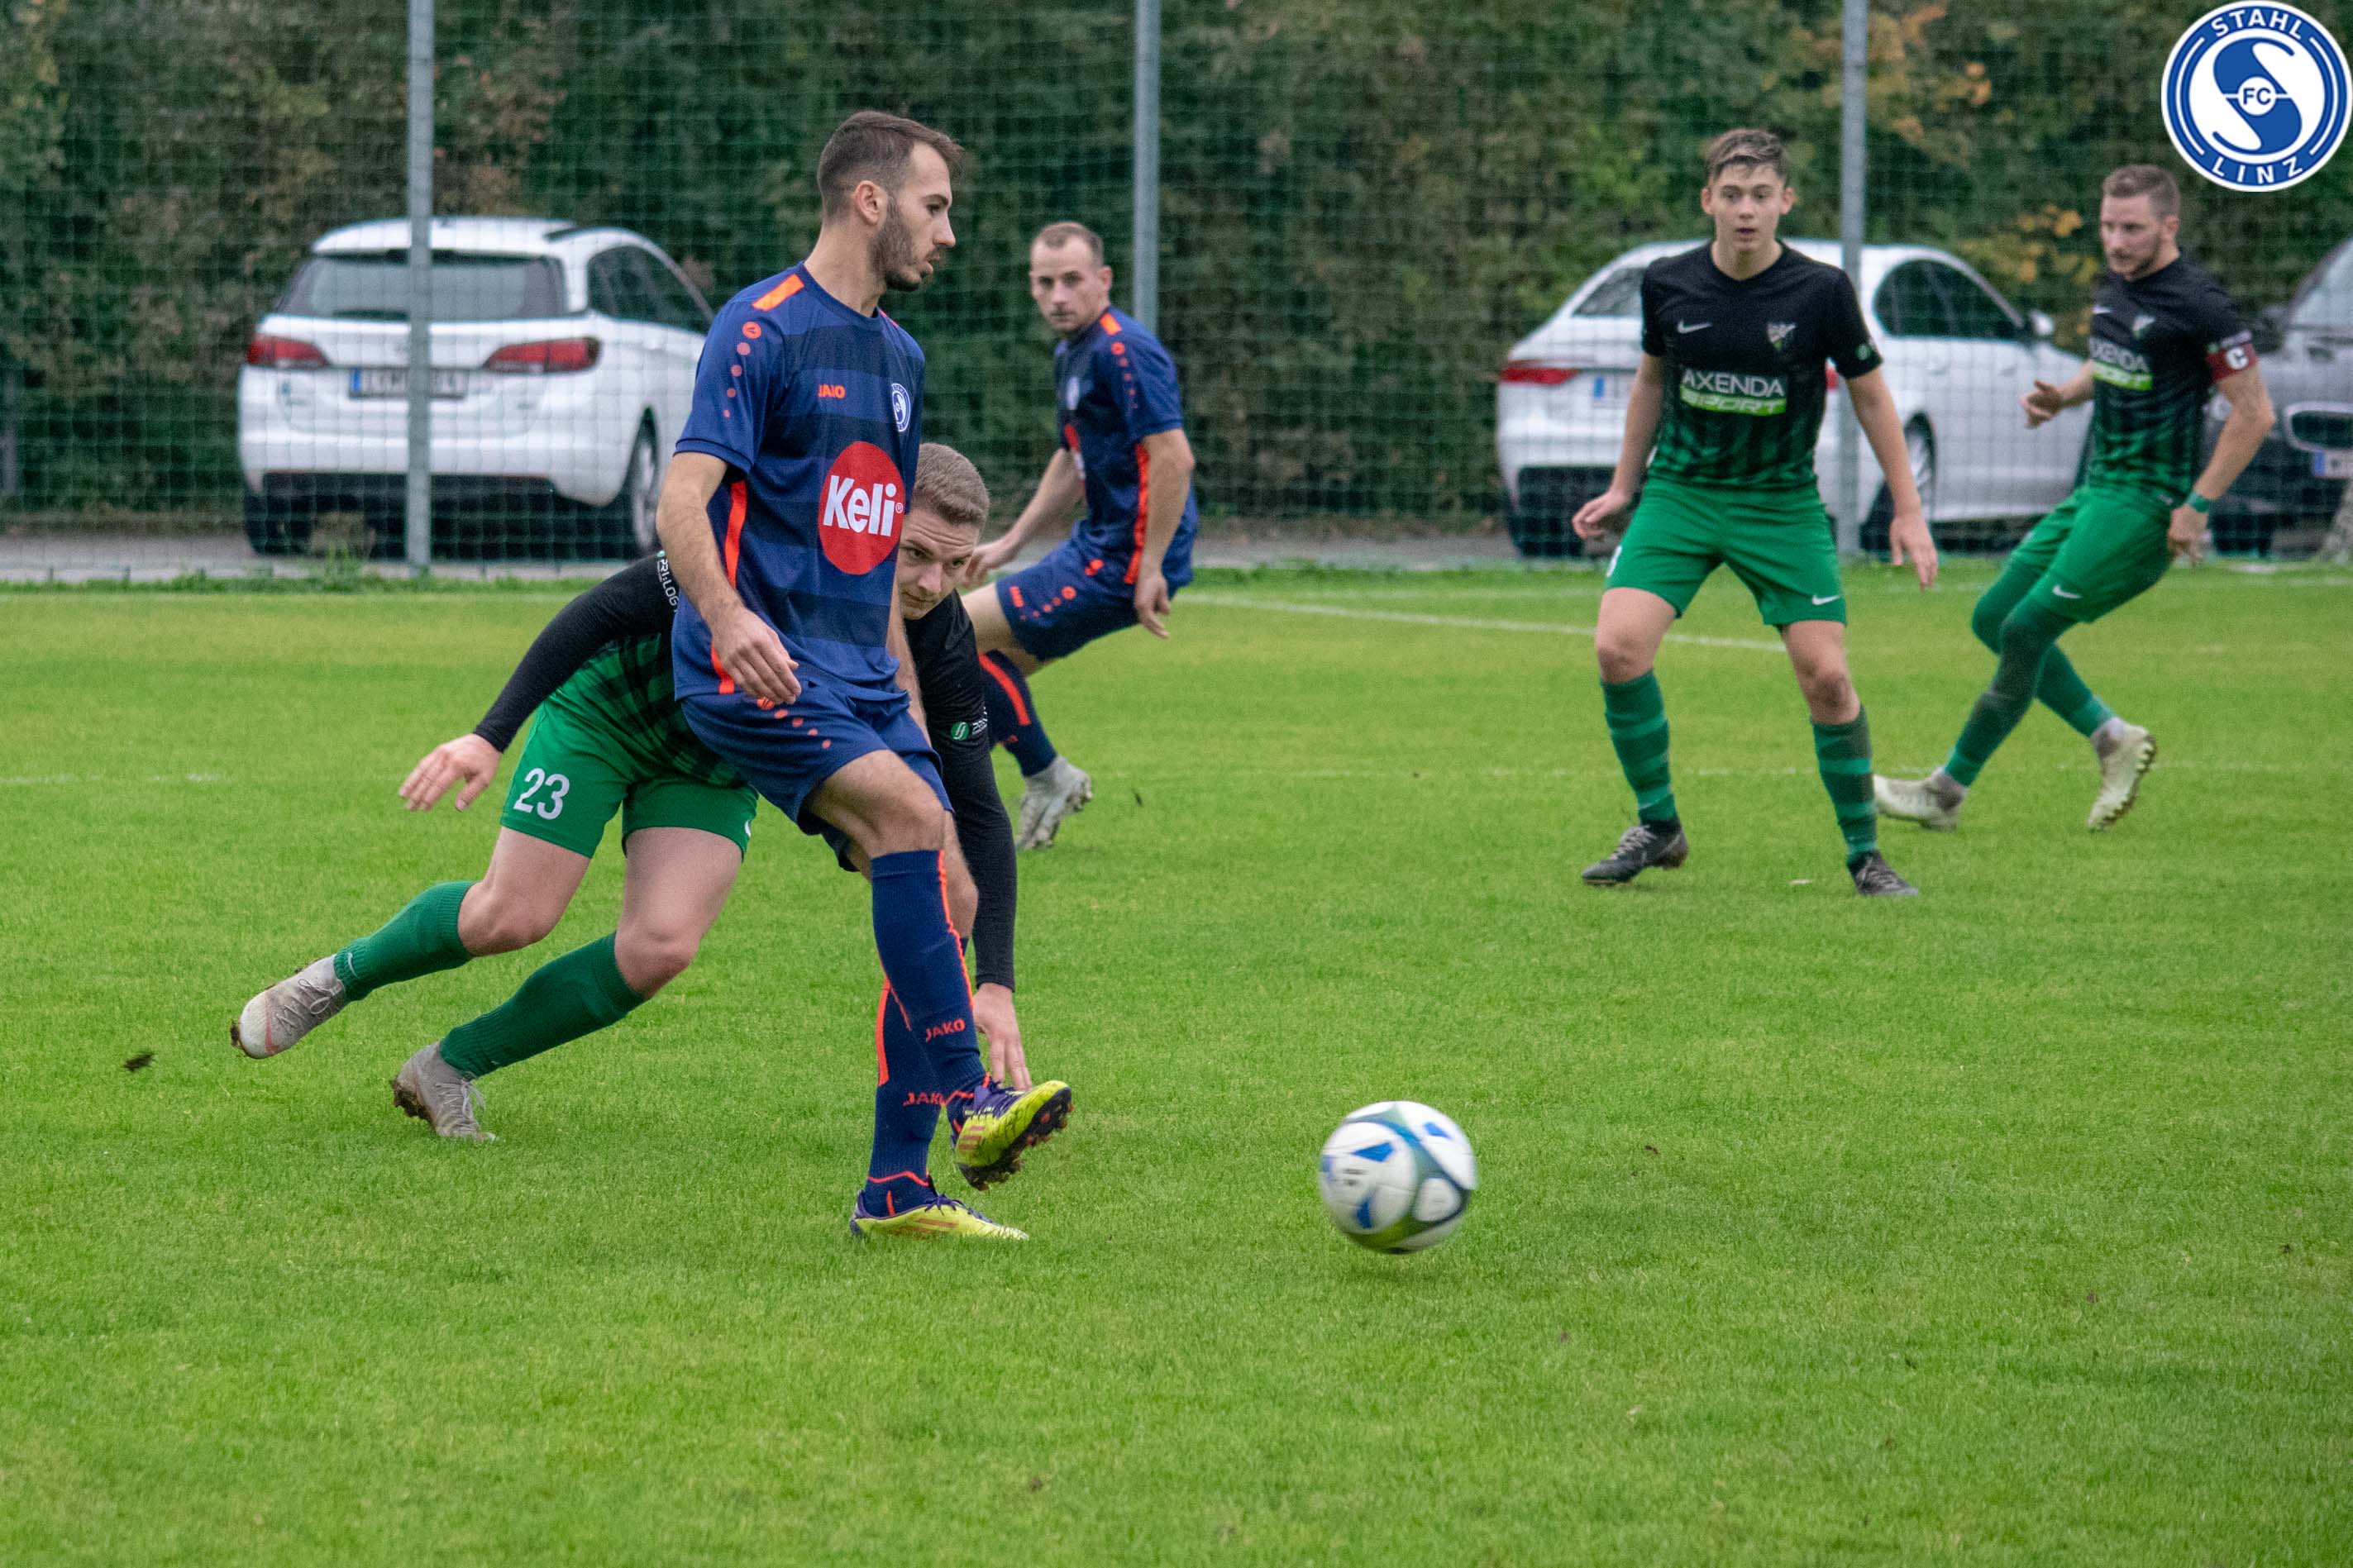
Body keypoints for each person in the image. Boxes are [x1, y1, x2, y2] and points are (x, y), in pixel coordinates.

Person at [229, 447, 1054, 1191]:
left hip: (716, 761)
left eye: (954, 565)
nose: (930, 584)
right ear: (866, 523)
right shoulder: (768, 552)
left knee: (660, 946)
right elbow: (597, 612)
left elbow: (977, 810)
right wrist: (489, 735)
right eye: (913, 554)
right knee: (511, 915)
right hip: (609, 712)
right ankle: (336, 978)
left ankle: (447, 1067)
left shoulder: (940, 639)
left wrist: (995, 982)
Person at [656, 110, 1063, 1242]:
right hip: (756, 670)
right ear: (870, 201)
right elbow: (681, 498)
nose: (948, 234)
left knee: (950, 889)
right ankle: (974, 1103)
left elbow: (877, 558)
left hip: (863, 675)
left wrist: (909, 714)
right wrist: (726, 614)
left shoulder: (900, 359)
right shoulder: (761, 327)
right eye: (936, 208)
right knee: (906, 823)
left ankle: (894, 1190)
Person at [1568, 126, 1939, 897]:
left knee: (1827, 677)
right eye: (1732, 195)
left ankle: (1866, 856)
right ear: (1708, 199)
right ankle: (1658, 825)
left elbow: (1872, 395)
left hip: (1780, 503)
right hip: (1681, 493)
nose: (1746, 210)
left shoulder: (1821, 291)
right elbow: (1650, 381)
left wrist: (1908, 509)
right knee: (1617, 648)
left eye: (1761, 196)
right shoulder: (1668, 283)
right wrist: (1624, 486)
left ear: (1785, 202)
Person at [1874, 164, 2274, 832]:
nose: (2116, 241)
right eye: (2108, 226)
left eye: (2132, 229)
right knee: (1993, 617)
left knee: (2025, 628)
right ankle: (2112, 737)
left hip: (2146, 504)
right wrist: (2064, 394)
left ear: (2169, 226)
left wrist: (2197, 505)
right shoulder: (2115, 284)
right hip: (2095, 490)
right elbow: (2114, 360)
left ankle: (1945, 791)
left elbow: (2254, 413)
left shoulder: (2202, 304)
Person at [958, 221, 1200, 849]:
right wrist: (1012, 542)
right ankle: (1007, 788)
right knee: (970, 667)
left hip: (1122, 558)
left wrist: (1150, 566)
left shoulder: (1124, 350)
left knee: (950, 634)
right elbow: (1072, 458)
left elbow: (1174, 458)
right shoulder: (1073, 352)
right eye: (1045, 283)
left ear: (1104, 279)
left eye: (1071, 280)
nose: (1058, 295)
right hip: (1100, 546)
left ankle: (1046, 776)